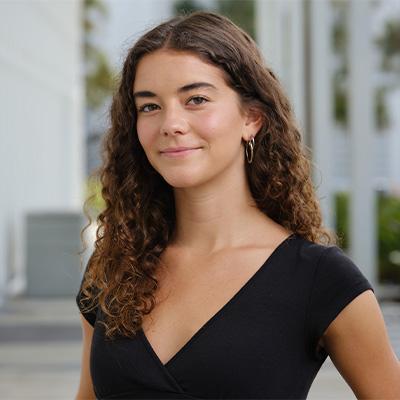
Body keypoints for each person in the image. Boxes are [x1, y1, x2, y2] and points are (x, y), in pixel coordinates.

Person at [75, 10, 400, 400]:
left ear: (252, 118)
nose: (170, 123)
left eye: (196, 99)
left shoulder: (319, 279)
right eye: (149, 106)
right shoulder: (114, 266)